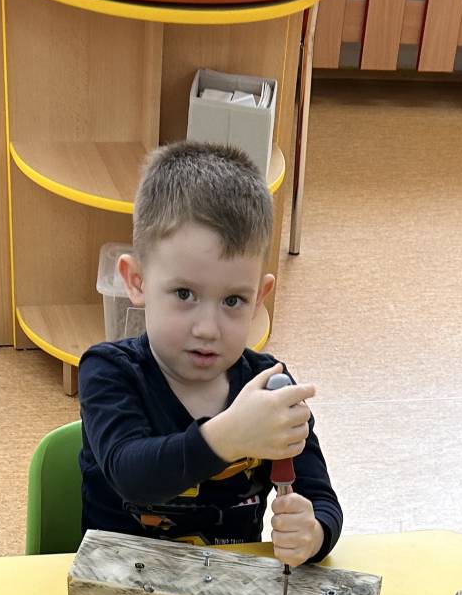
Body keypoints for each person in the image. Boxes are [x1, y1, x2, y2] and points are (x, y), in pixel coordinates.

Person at [78, 140, 343, 566]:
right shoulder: (109, 372)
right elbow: (131, 475)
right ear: (137, 281)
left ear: (259, 298)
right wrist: (230, 435)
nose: (208, 329)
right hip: (115, 587)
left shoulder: (270, 389)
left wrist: (313, 533)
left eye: (233, 300)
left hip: (228, 591)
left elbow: (320, 498)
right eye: (185, 294)